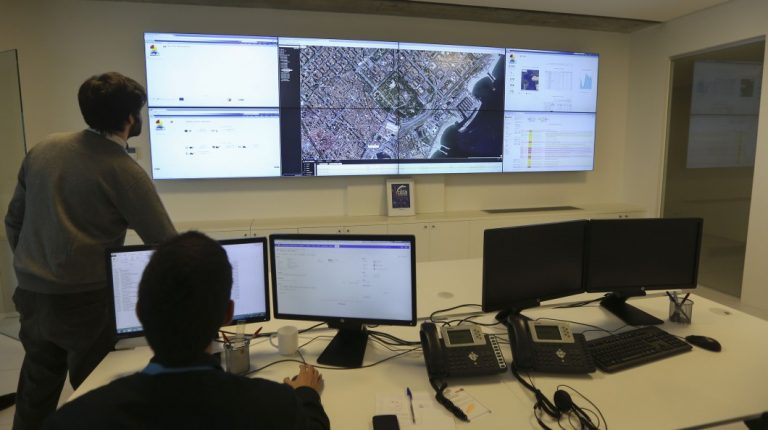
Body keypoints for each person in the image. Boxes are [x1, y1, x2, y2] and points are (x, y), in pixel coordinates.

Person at [4, 72, 177, 430]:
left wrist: (34, 268)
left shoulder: (44, 148)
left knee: (36, 393)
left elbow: (13, 220)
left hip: (32, 296)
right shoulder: (123, 171)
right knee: (95, 396)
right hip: (87, 304)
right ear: (130, 118)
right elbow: (167, 244)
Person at [43, 231, 330, 429]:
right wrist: (306, 394)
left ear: (140, 312)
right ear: (227, 315)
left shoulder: (74, 420)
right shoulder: (275, 408)